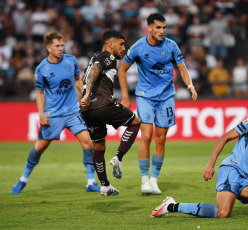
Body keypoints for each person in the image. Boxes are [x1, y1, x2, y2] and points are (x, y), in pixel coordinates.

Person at [118, 13, 197, 195]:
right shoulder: (138, 47)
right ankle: (144, 180)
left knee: (161, 139)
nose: (162, 31)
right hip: (145, 96)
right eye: (158, 28)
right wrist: (125, 96)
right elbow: (122, 69)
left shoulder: (171, 46)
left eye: (164, 28)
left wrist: (190, 85)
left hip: (166, 97)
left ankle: (154, 181)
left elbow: (182, 68)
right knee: (146, 136)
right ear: (150, 28)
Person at [12, 31, 100, 194]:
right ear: (48, 48)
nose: (61, 48)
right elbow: (39, 93)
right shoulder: (42, 69)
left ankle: (91, 182)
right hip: (53, 115)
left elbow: (77, 80)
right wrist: (41, 115)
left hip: (73, 112)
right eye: (57, 46)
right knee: (39, 148)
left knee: (88, 142)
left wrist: (86, 96)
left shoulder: (71, 61)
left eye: (62, 45)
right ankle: (23, 179)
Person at [80, 30, 141, 197]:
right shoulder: (108, 57)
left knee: (98, 147)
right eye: (121, 44)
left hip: (87, 111)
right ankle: (118, 158)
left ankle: (105, 185)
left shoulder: (94, 56)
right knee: (135, 122)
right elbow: (94, 71)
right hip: (102, 105)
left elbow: (84, 77)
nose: (124, 48)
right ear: (110, 44)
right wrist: (87, 95)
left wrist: (85, 96)